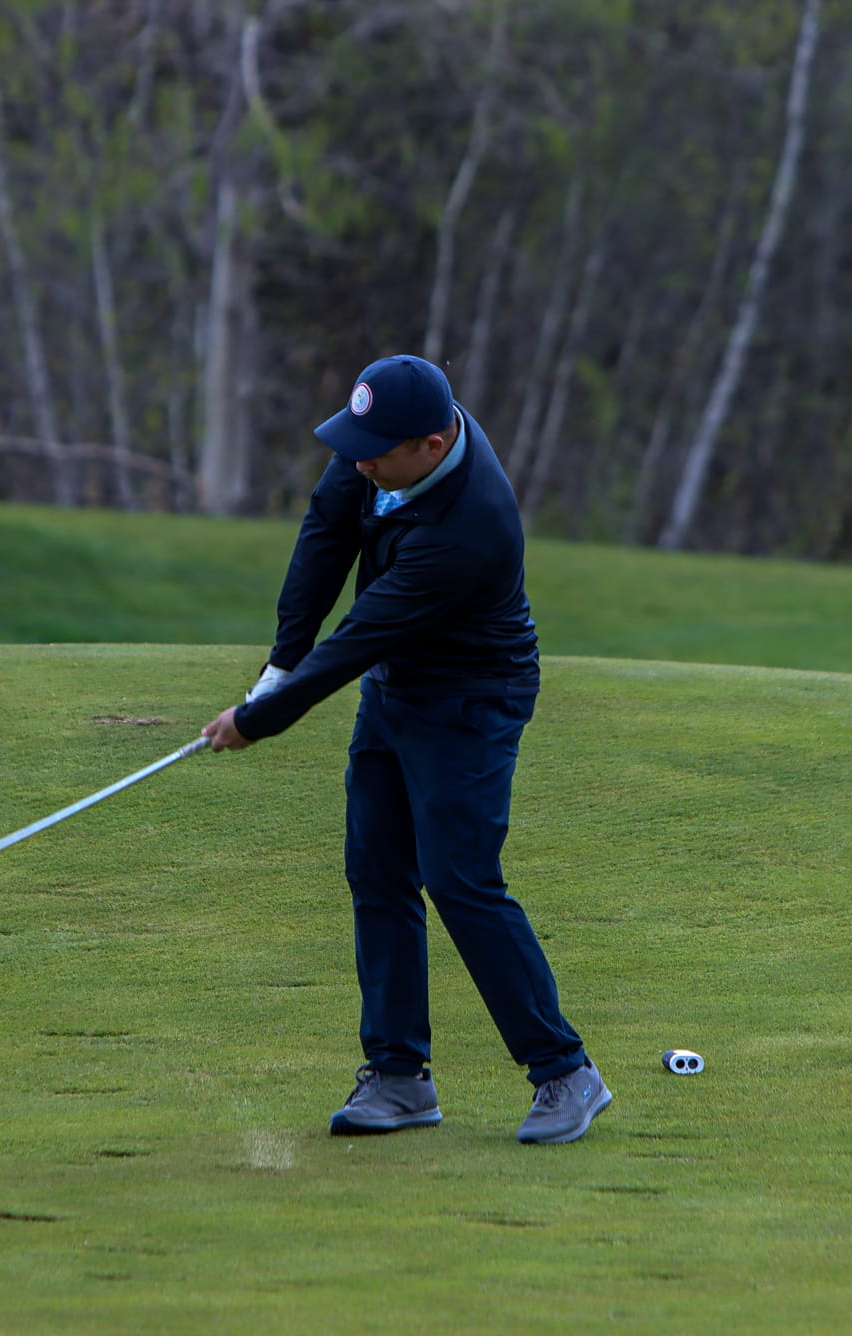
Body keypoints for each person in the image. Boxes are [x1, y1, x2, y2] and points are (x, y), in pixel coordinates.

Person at [200, 353, 610, 1146]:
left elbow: (363, 634)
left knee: (461, 880)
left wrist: (260, 718)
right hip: (395, 687)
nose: (358, 463)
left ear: (432, 445)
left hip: (471, 699)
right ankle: (398, 1077)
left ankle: (566, 1071)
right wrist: (278, 666)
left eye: (376, 453)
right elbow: (326, 535)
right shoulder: (380, 443)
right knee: (378, 869)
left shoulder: (471, 525)